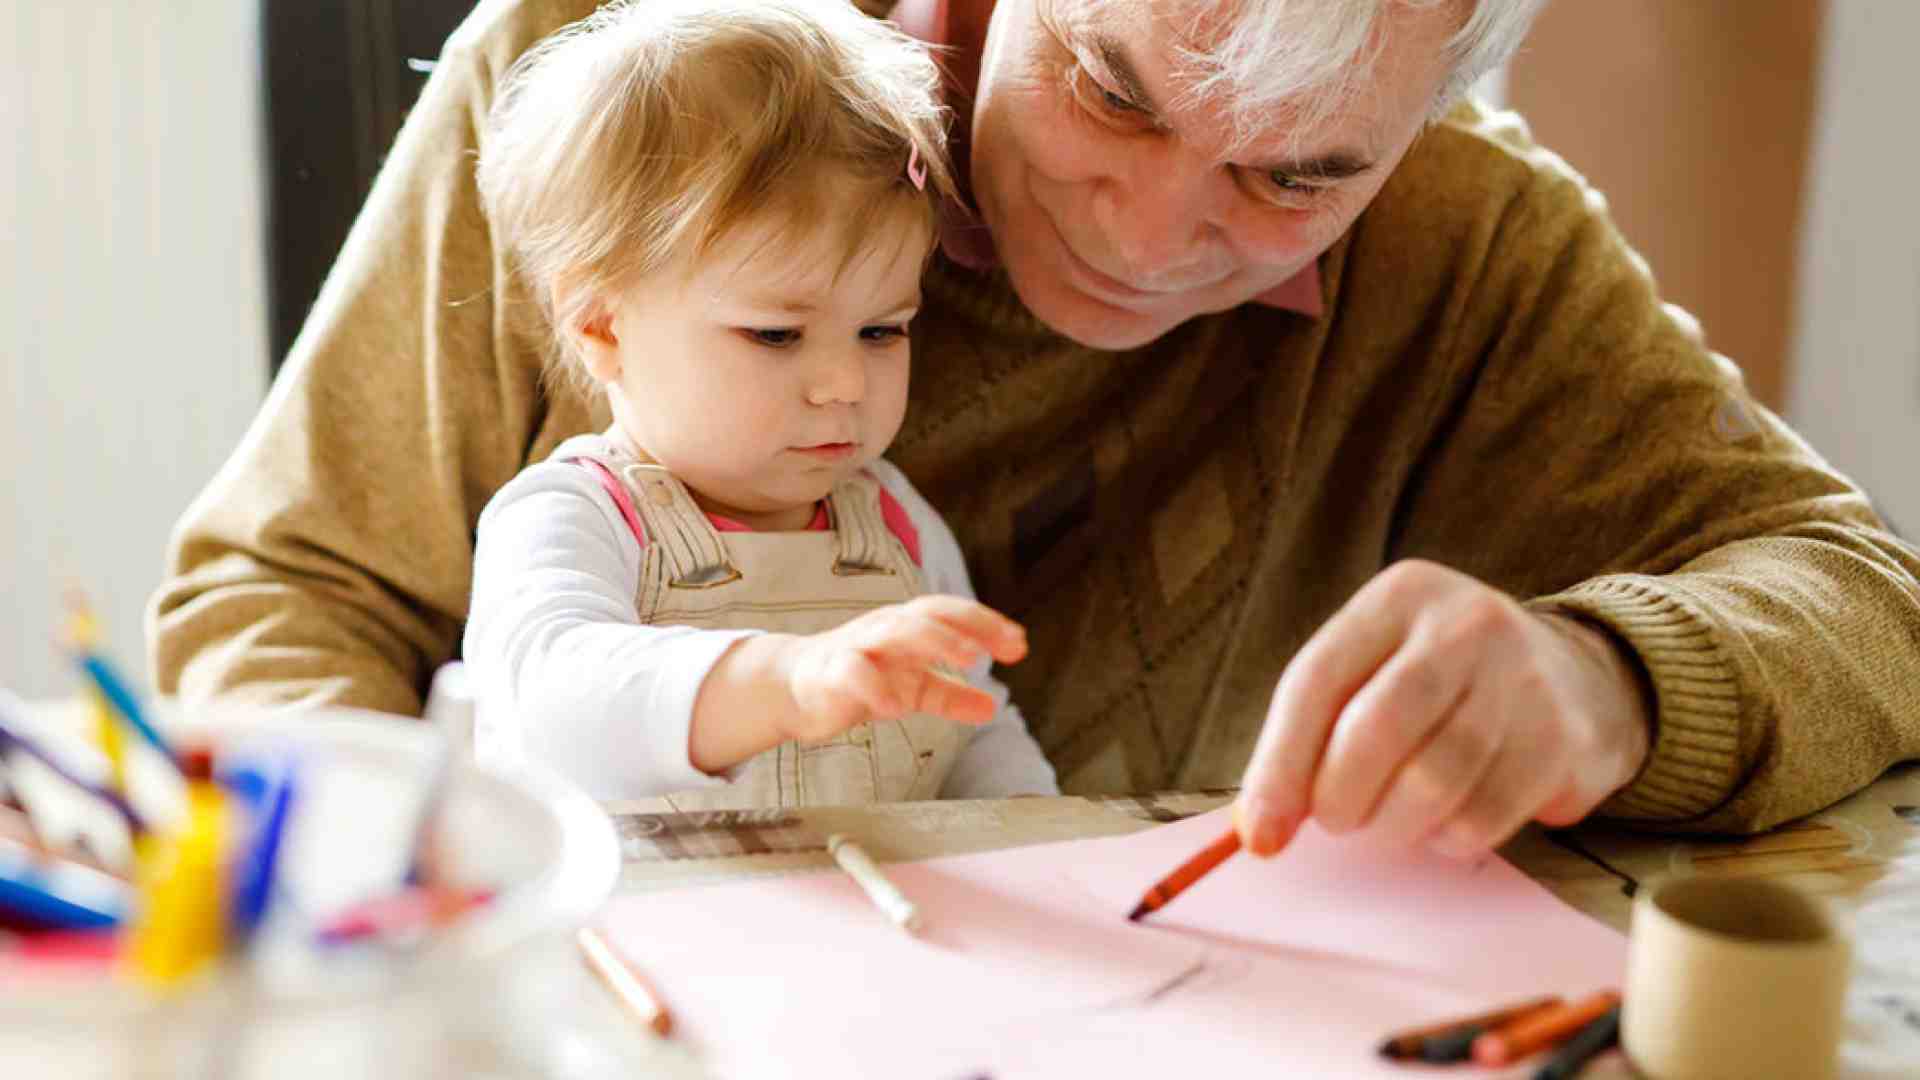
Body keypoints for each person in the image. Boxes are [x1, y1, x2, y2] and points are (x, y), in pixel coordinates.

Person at [153, 0, 1920, 858]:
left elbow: (1871, 596)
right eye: (1110, 90)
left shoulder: (1464, 242)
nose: (1149, 240)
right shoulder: (616, 84)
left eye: (1295, 178)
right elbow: (286, 601)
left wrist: (1609, 678)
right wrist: (409, 935)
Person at [459, 0, 1054, 804]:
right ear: (602, 325)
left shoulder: (899, 526)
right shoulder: (574, 516)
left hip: (870, 889)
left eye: (881, 330)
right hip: (649, 891)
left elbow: (973, 722)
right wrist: (783, 681)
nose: (845, 383)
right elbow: (549, 704)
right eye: (777, 334)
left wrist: (1037, 833)